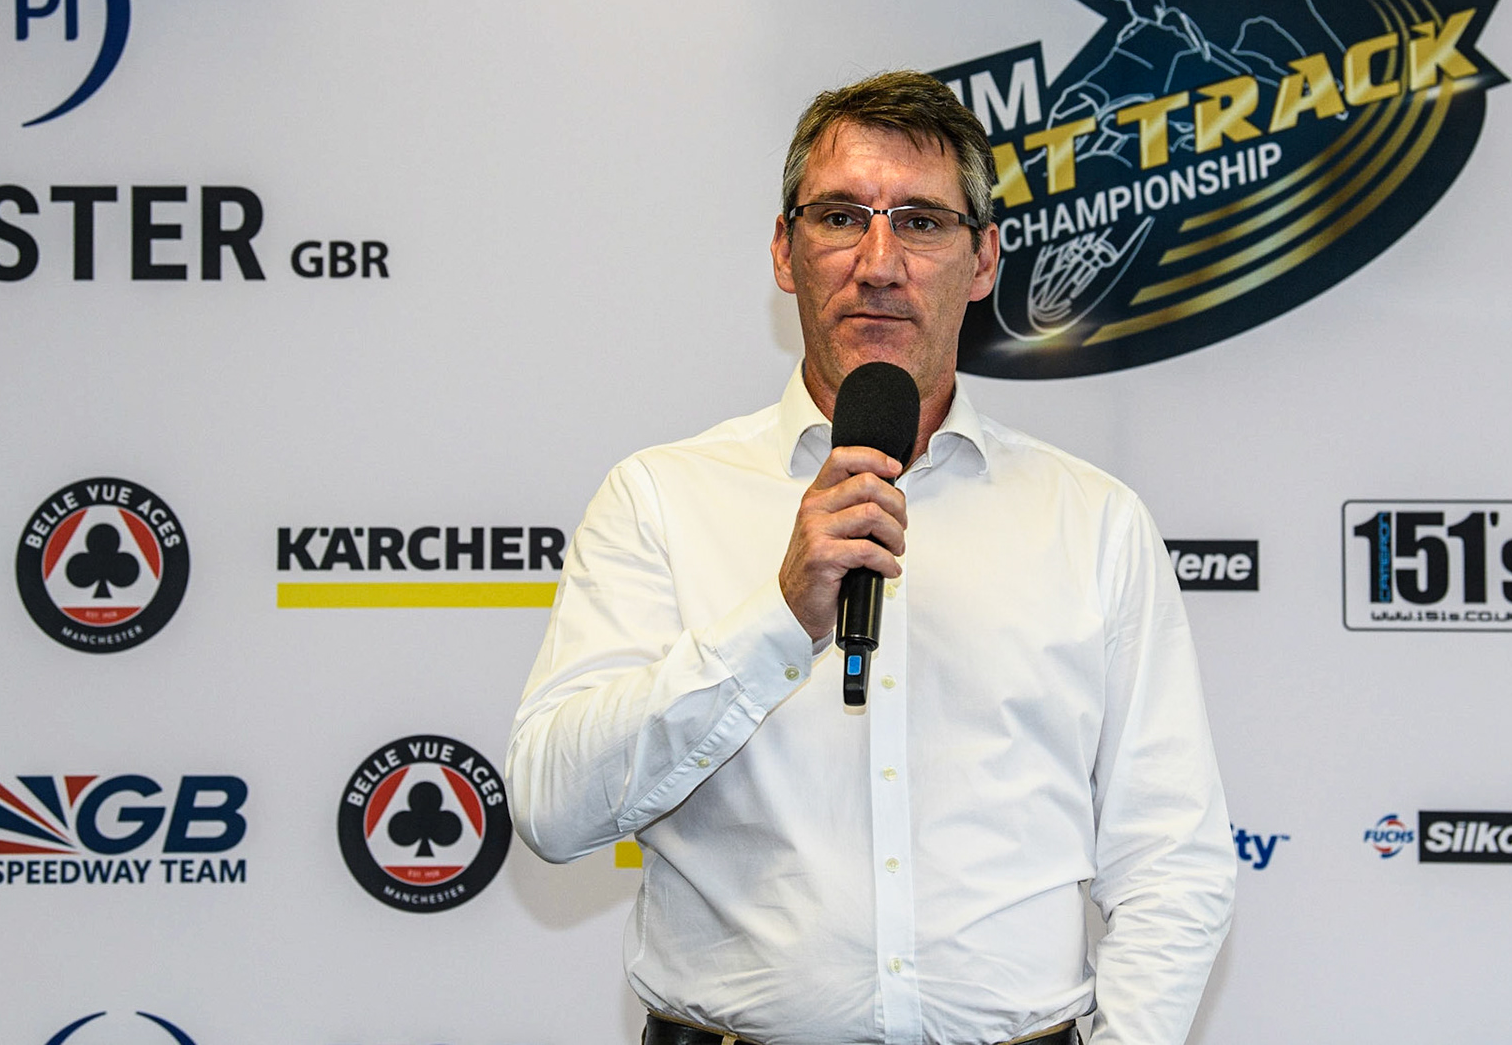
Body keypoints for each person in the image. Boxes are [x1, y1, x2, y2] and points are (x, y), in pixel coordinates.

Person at [505, 70, 1234, 1045]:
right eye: (842, 215)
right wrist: (778, 617)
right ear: (783, 248)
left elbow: (1172, 856)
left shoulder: (1092, 519)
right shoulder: (661, 498)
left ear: (983, 260)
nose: (880, 262)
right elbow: (554, 806)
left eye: (924, 222)